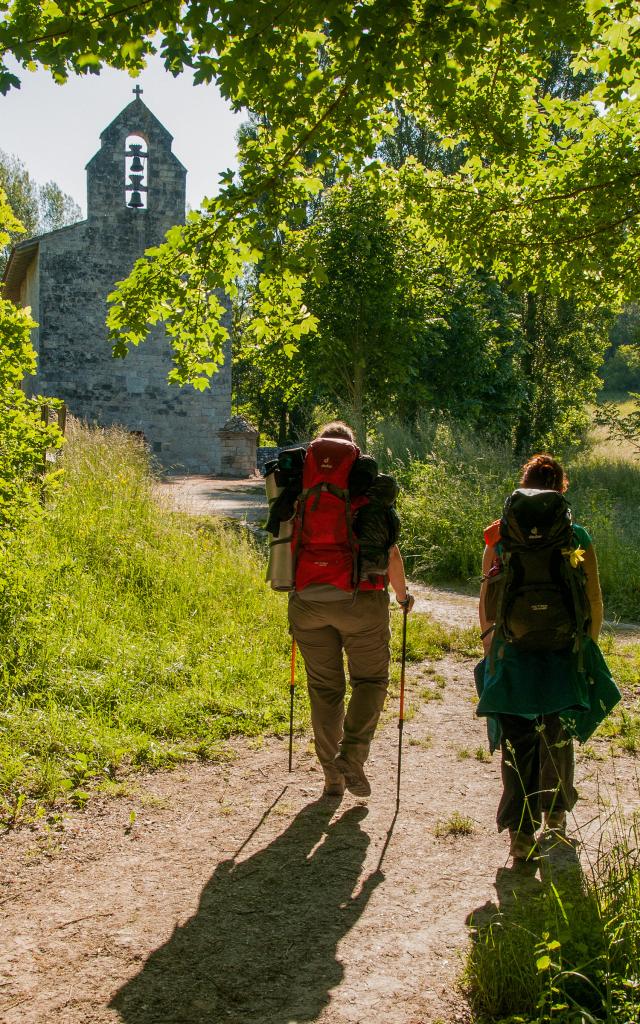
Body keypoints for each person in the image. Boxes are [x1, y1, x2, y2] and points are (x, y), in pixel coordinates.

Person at [478, 453, 612, 862]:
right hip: (562, 652)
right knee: (558, 730)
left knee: (518, 741)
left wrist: (491, 647)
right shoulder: (578, 537)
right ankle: (554, 813)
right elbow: (593, 601)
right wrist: (583, 648)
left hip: (513, 651)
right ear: (560, 490)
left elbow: (488, 598)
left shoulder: (499, 536)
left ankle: (520, 834)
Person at [287, 420, 414, 799]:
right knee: (370, 682)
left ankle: (332, 777)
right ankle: (353, 756)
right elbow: (389, 552)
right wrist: (403, 596)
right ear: (353, 453)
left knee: (325, 689)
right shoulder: (368, 490)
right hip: (362, 602)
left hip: (308, 602)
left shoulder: (298, 487)